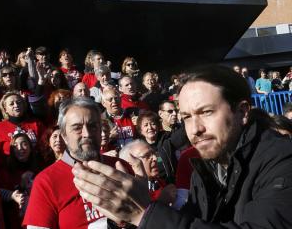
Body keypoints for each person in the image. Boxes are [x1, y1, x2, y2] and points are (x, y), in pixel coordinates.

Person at [72, 65, 292, 228]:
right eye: (186, 117)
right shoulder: (205, 169)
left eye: (206, 112)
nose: (195, 128)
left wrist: (144, 214)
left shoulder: (282, 160)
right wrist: (127, 220)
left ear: (242, 112)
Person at [23, 97, 132, 228]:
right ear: (64, 135)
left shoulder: (120, 167)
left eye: (93, 126)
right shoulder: (46, 182)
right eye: (77, 128)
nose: (87, 134)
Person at [119, 140, 176, 204]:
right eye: (147, 156)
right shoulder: (129, 194)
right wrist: (162, 200)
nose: (155, 158)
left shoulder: (159, 183)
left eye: (154, 154)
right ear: (130, 164)